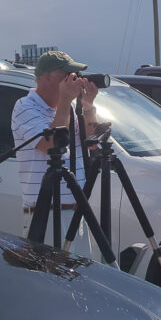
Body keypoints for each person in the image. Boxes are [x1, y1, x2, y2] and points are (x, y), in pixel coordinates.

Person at [10, 50, 100, 211]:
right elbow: (52, 146)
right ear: (46, 77)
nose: (73, 78)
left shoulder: (69, 108)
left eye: (74, 74)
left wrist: (88, 104)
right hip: (46, 211)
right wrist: (65, 100)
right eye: (67, 74)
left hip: (78, 205)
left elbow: (92, 142)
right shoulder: (25, 106)